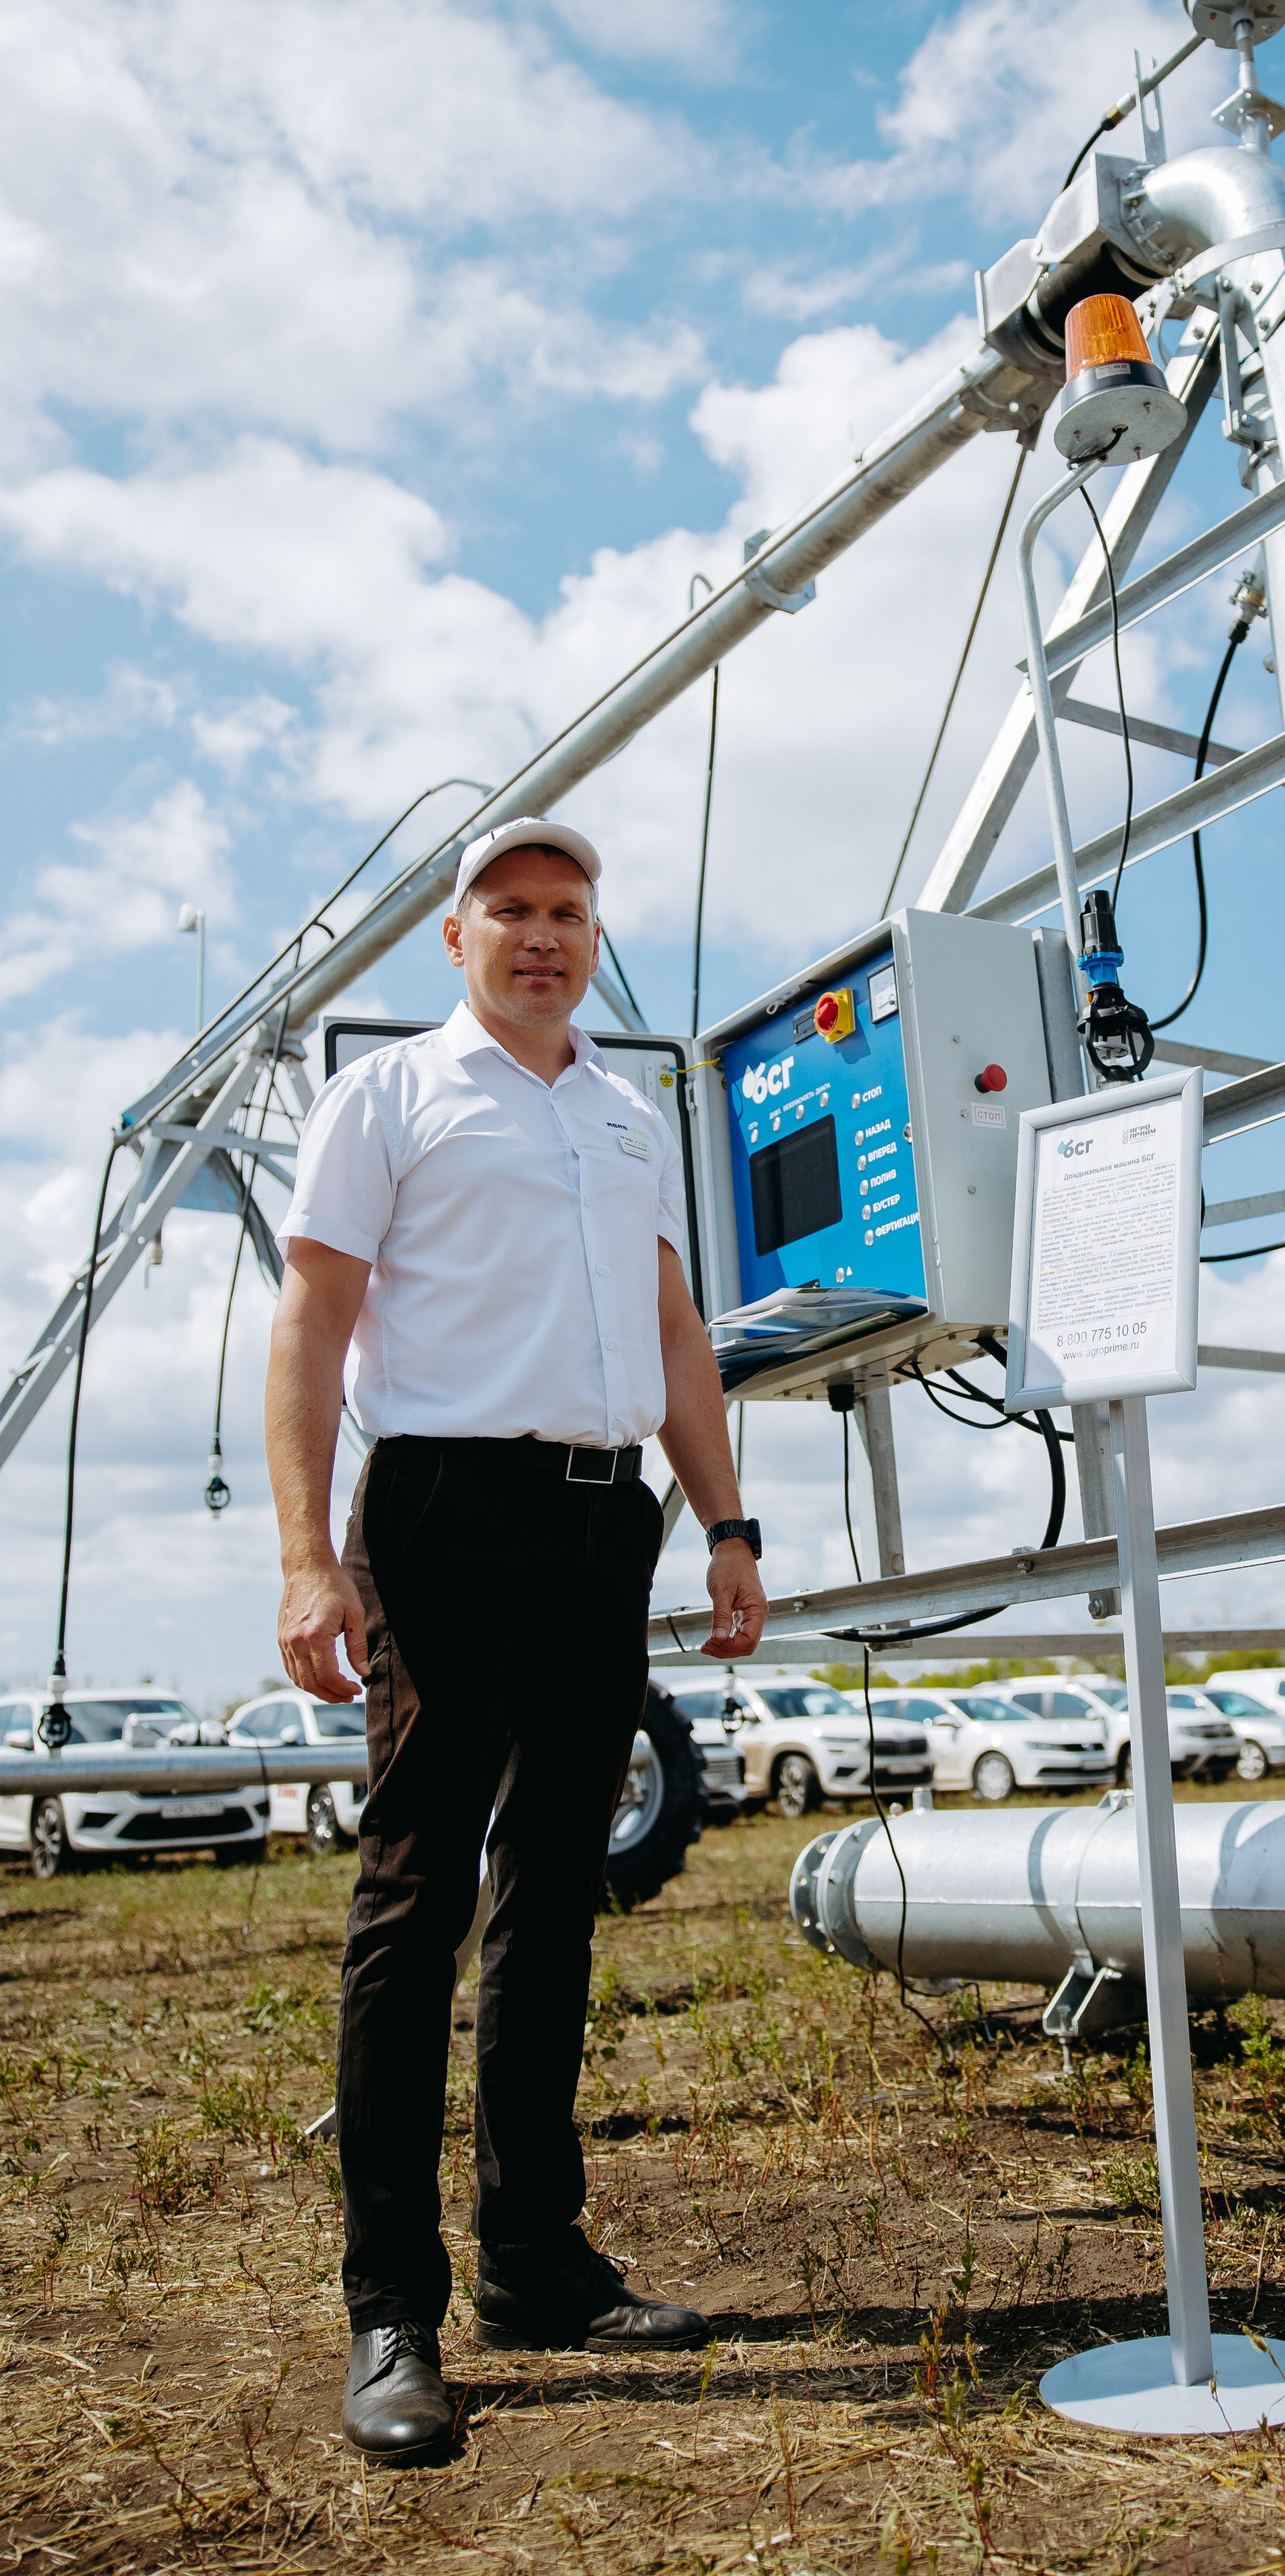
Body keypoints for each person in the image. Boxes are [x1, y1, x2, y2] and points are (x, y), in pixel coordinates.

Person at [266, 815, 768, 2466]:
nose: (543, 935)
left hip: (602, 1519)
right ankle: (390, 2309)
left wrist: (727, 1524)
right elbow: (312, 1319)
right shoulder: (389, 1097)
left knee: (555, 1888)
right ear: (457, 935)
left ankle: (534, 2258)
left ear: (593, 937)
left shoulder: (626, 1114)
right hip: (442, 1509)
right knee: (417, 1892)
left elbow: (674, 1326)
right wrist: (308, 1558)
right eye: (511, 910)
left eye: (567, 911)